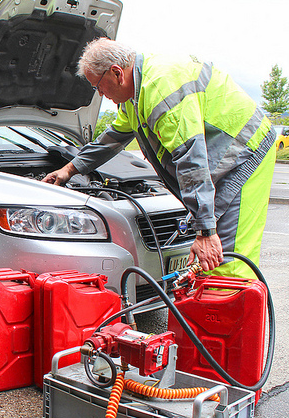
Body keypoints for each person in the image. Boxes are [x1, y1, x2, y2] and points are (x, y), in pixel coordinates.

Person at [43, 38, 276, 277]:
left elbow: (190, 159)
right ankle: (212, 307)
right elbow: (111, 140)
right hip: (220, 161)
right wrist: (69, 169)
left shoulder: (161, 89)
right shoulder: (135, 97)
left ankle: (230, 306)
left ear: (116, 73)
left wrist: (205, 232)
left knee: (227, 262)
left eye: (98, 86)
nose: (100, 94)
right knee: (209, 265)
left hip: (244, 153)